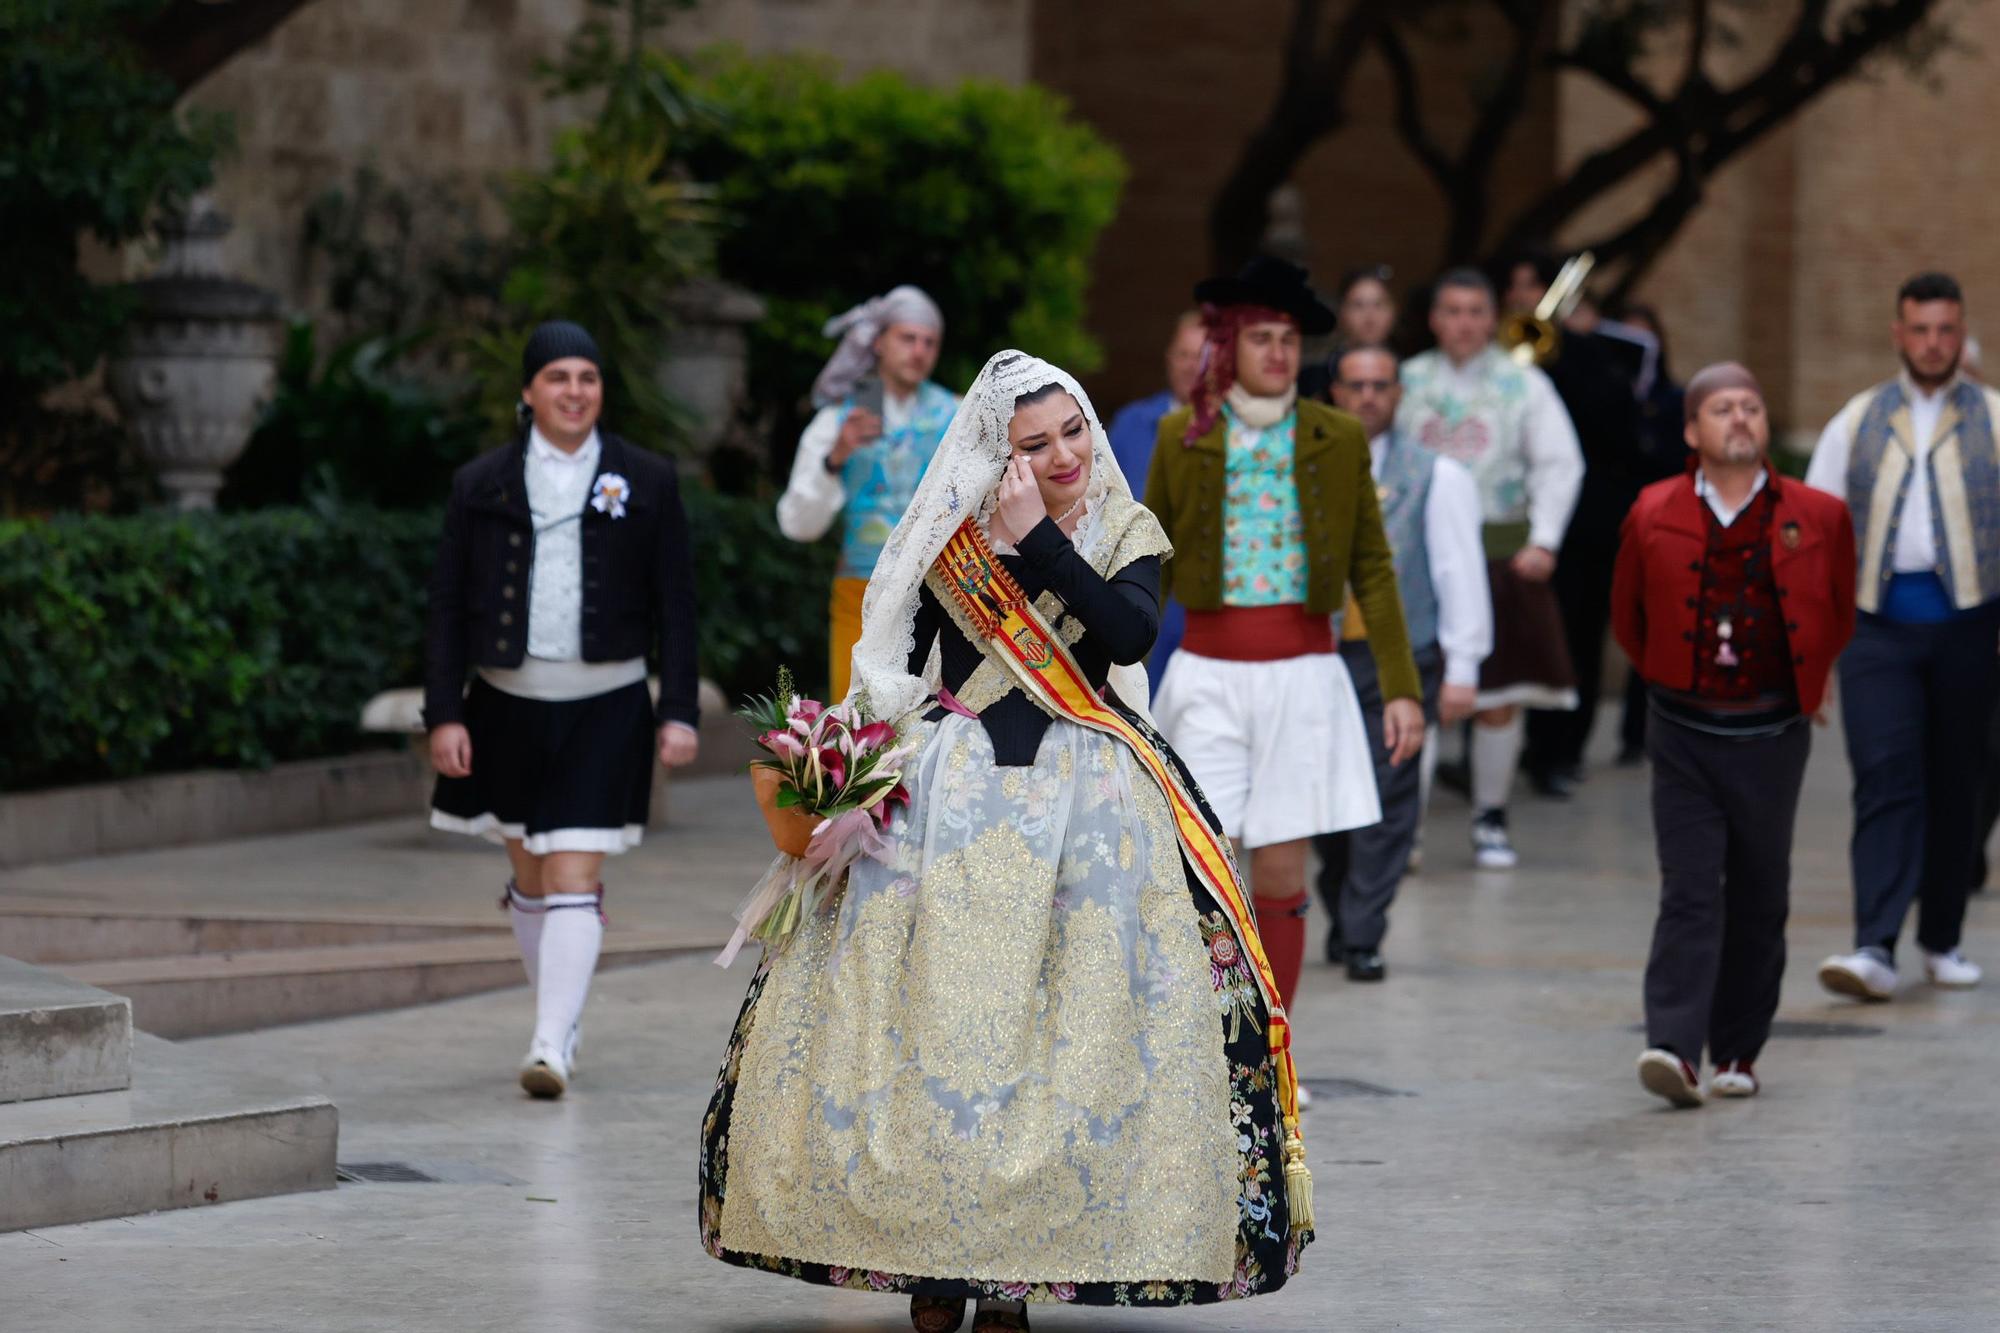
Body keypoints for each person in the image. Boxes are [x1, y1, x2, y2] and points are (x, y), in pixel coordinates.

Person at [701, 351, 1314, 1330]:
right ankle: (933, 1267)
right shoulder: (952, 539)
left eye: (1071, 430)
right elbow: (912, 672)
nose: (1062, 452)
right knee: (933, 1035)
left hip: (1087, 797)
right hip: (946, 794)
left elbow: (1121, 637)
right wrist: (858, 787)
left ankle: (1017, 1275)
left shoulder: (1126, 530)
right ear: (1000, 450)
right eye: (1034, 443)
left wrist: (1036, 538)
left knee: (1062, 1045)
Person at [425, 320, 700, 1098]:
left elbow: (676, 604)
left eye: (587, 376)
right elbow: (445, 605)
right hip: (505, 706)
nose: (574, 390)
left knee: (575, 863)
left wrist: (677, 708)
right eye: (557, 377)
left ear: (600, 389)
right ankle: (560, 1015)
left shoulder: (647, 477)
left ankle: (550, 1042)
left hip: (607, 704)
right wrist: (444, 712)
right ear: (528, 391)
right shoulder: (481, 483)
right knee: (532, 872)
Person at [1147, 255, 1424, 1022]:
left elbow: (1372, 565)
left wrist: (1402, 687)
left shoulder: (1336, 435)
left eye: (1291, 340)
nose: (1279, 353)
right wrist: (1110, 672)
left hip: (1304, 673)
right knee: (1206, 863)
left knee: (1278, 867)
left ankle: (1273, 1048)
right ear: (1229, 345)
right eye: (1263, 337)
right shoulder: (1182, 435)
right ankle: (1210, 1041)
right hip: (1207, 670)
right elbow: (1152, 563)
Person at [1615, 363, 1855, 1107]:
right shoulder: (1652, 510)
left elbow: (1838, 609)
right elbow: (1630, 617)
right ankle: (1674, 1047)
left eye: (1752, 405)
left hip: (1772, 731)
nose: (1741, 418)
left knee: (1760, 889)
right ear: (1693, 430)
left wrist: (1807, 684)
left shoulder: (1817, 514)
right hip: (1683, 730)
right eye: (1723, 408)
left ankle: (1740, 1049)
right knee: (1689, 889)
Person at [1808, 272, 2000, 1001]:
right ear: (1898, 333)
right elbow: (1819, 531)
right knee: (1884, 773)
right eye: (1919, 330)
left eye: (1945, 330)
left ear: (1961, 331)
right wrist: (1819, 641)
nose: (1932, 343)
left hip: (1971, 623)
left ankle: (1941, 938)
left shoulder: (1994, 417)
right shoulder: (1856, 419)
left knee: (1959, 779)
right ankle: (1874, 945)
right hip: (1876, 626)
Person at [1311, 343, 1491, 980]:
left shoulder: (1436, 476)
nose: (1366, 396)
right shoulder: (1302, 472)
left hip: (1399, 656)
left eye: (1380, 385)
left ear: (1397, 394)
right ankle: (1341, 909)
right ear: (1334, 391)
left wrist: (1464, 668)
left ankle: (1365, 932)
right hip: (1320, 655)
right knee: (1329, 796)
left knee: (1391, 792)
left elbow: (1457, 572)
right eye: (1355, 384)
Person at [1397, 269, 1585, 868]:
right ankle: (1410, 829)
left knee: (1497, 695)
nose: (1464, 323)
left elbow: (1560, 463)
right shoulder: (1406, 381)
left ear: (1492, 315)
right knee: (1417, 691)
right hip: (1417, 559)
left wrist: (1547, 539)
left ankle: (1490, 817)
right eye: (1451, 311)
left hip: (1500, 552)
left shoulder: (1522, 382)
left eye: (1476, 311)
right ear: (1434, 318)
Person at [1502, 252, 1647, 800]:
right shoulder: (1506, 352)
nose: (1521, 298)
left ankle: (1561, 751)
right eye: (1514, 288)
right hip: (1515, 521)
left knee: (1577, 638)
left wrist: (1567, 349)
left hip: (1583, 527)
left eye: (1530, 286)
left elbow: (1617, 430)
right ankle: (1506, 749)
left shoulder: (1589, 356)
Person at [777, 285, 957, 700]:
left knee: (929, 724)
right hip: (861, 592)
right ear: (878, 341)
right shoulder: (843, 415)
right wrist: (837, 454)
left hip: (939, 592)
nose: (919, 351)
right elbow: (797, 524)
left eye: (929, 342)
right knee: (857, 727)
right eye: (907, 338)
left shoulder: (954, 413)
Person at [1107, 310, 1206, 690]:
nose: (1191, 367)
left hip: (1200, 612)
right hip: (1137, 599)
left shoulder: (1237, 435)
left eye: (1203, 357)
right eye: (1184, 355)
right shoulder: (1132, 423)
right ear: (1169, 359)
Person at [1609, 301, 1690, 765]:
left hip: (1656, 530)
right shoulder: (1604, 396)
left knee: (1652, 629)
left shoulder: (1674, 400)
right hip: (1607, 527)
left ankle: (1640, 732)